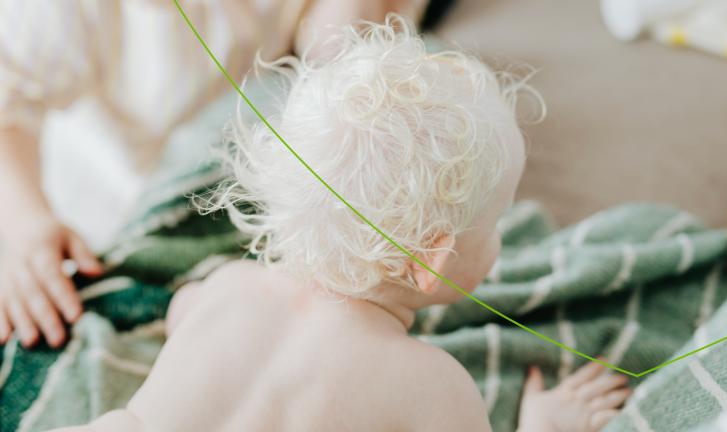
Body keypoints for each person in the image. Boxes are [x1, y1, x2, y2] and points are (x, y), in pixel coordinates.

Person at [48, 16, 631, 431]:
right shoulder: (432, 385)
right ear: (431, 263)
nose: (505, 233)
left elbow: (185, 313)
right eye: (498, 220)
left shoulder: (230, 287)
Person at [0, 0, 435, 349]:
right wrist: (22, 222)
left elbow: (341, 60)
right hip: (88, 214)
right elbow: (8, 100)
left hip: (242, 199)